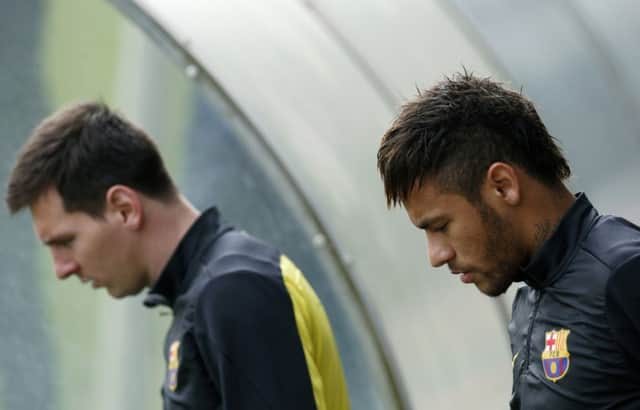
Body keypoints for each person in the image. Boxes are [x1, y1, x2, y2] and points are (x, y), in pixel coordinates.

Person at [6, 102, 350, 410]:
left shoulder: (234, 288)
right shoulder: (209, 290)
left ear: (124, 209)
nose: (62, 269)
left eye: (66, 241)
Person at [377, 72, 640, 409]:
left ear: (503, 185)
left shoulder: (623, 275)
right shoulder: (527, 301)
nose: (436, 255)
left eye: (441, 226)